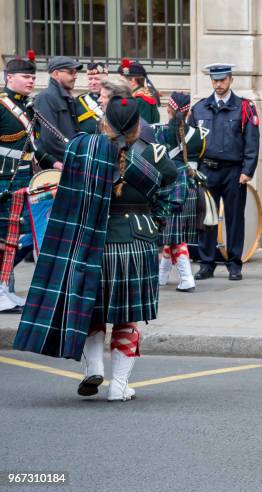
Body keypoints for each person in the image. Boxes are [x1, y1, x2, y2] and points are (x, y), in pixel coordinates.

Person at [13, 96, 177, 401]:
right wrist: (157, 220)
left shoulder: (84, 150)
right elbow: (173, 188)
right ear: (138, 125)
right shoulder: (154, 153)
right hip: (136, 243)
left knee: (93, 311)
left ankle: (94, 368)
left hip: (94, 242)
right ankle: (118, 387)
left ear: (105, 122)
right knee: (127, 319)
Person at [189, 63, 260, 281]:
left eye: (222, 80)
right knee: (207, 217)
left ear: (230, 80)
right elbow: (190, 142)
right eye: (215, 80)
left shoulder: (244, 107)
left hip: (233, 170)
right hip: (207, 170)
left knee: (234, 218)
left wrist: (248, 170)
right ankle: (207, 263)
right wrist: (193, 169)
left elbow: (252, 142)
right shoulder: (200, 108)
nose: (218, 84)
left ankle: (234, 263)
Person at [156, 91, 207, 292]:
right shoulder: (200, 136)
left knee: (175, 237)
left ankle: (187, 278)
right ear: (188, 113)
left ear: (168, 109)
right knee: (175, 234)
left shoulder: (160, 133)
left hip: (170, 189)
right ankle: (162, 275)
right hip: (190, 188)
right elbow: (198, 161)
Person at [0, 52, 37, 313]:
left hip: (21, 178)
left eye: (34, 77)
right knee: (2, 238)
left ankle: (4, 289)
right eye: (26, 76)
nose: (31, 81)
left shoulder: (26, 106)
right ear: (9, 77)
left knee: (12, 238)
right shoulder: (2, 105)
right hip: (4, 180)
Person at [33, 56, 82, 170]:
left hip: (68, 162)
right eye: (71, 72)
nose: (75, 76)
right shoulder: (47, 97)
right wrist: (74, 158)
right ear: (55, 74)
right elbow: (50, 138)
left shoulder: (65, 96)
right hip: (58, 166)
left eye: (75, 73)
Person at [98, 78, 156, 143]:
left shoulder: (143, 129)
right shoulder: (105, 122)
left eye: (103, 97)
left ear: (116, 100)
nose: (99, 100)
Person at [118, 58, 161, 124]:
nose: (119, 84)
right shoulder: (136, 96)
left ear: (133, 81)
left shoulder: (140, 100)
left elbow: (142, 129)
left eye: (122, 81)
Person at [75, 62, 107, 134]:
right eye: (90, 79)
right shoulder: (79, 101)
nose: (93, 82)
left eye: (97, 79)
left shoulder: (114, 99)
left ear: (106, 80)